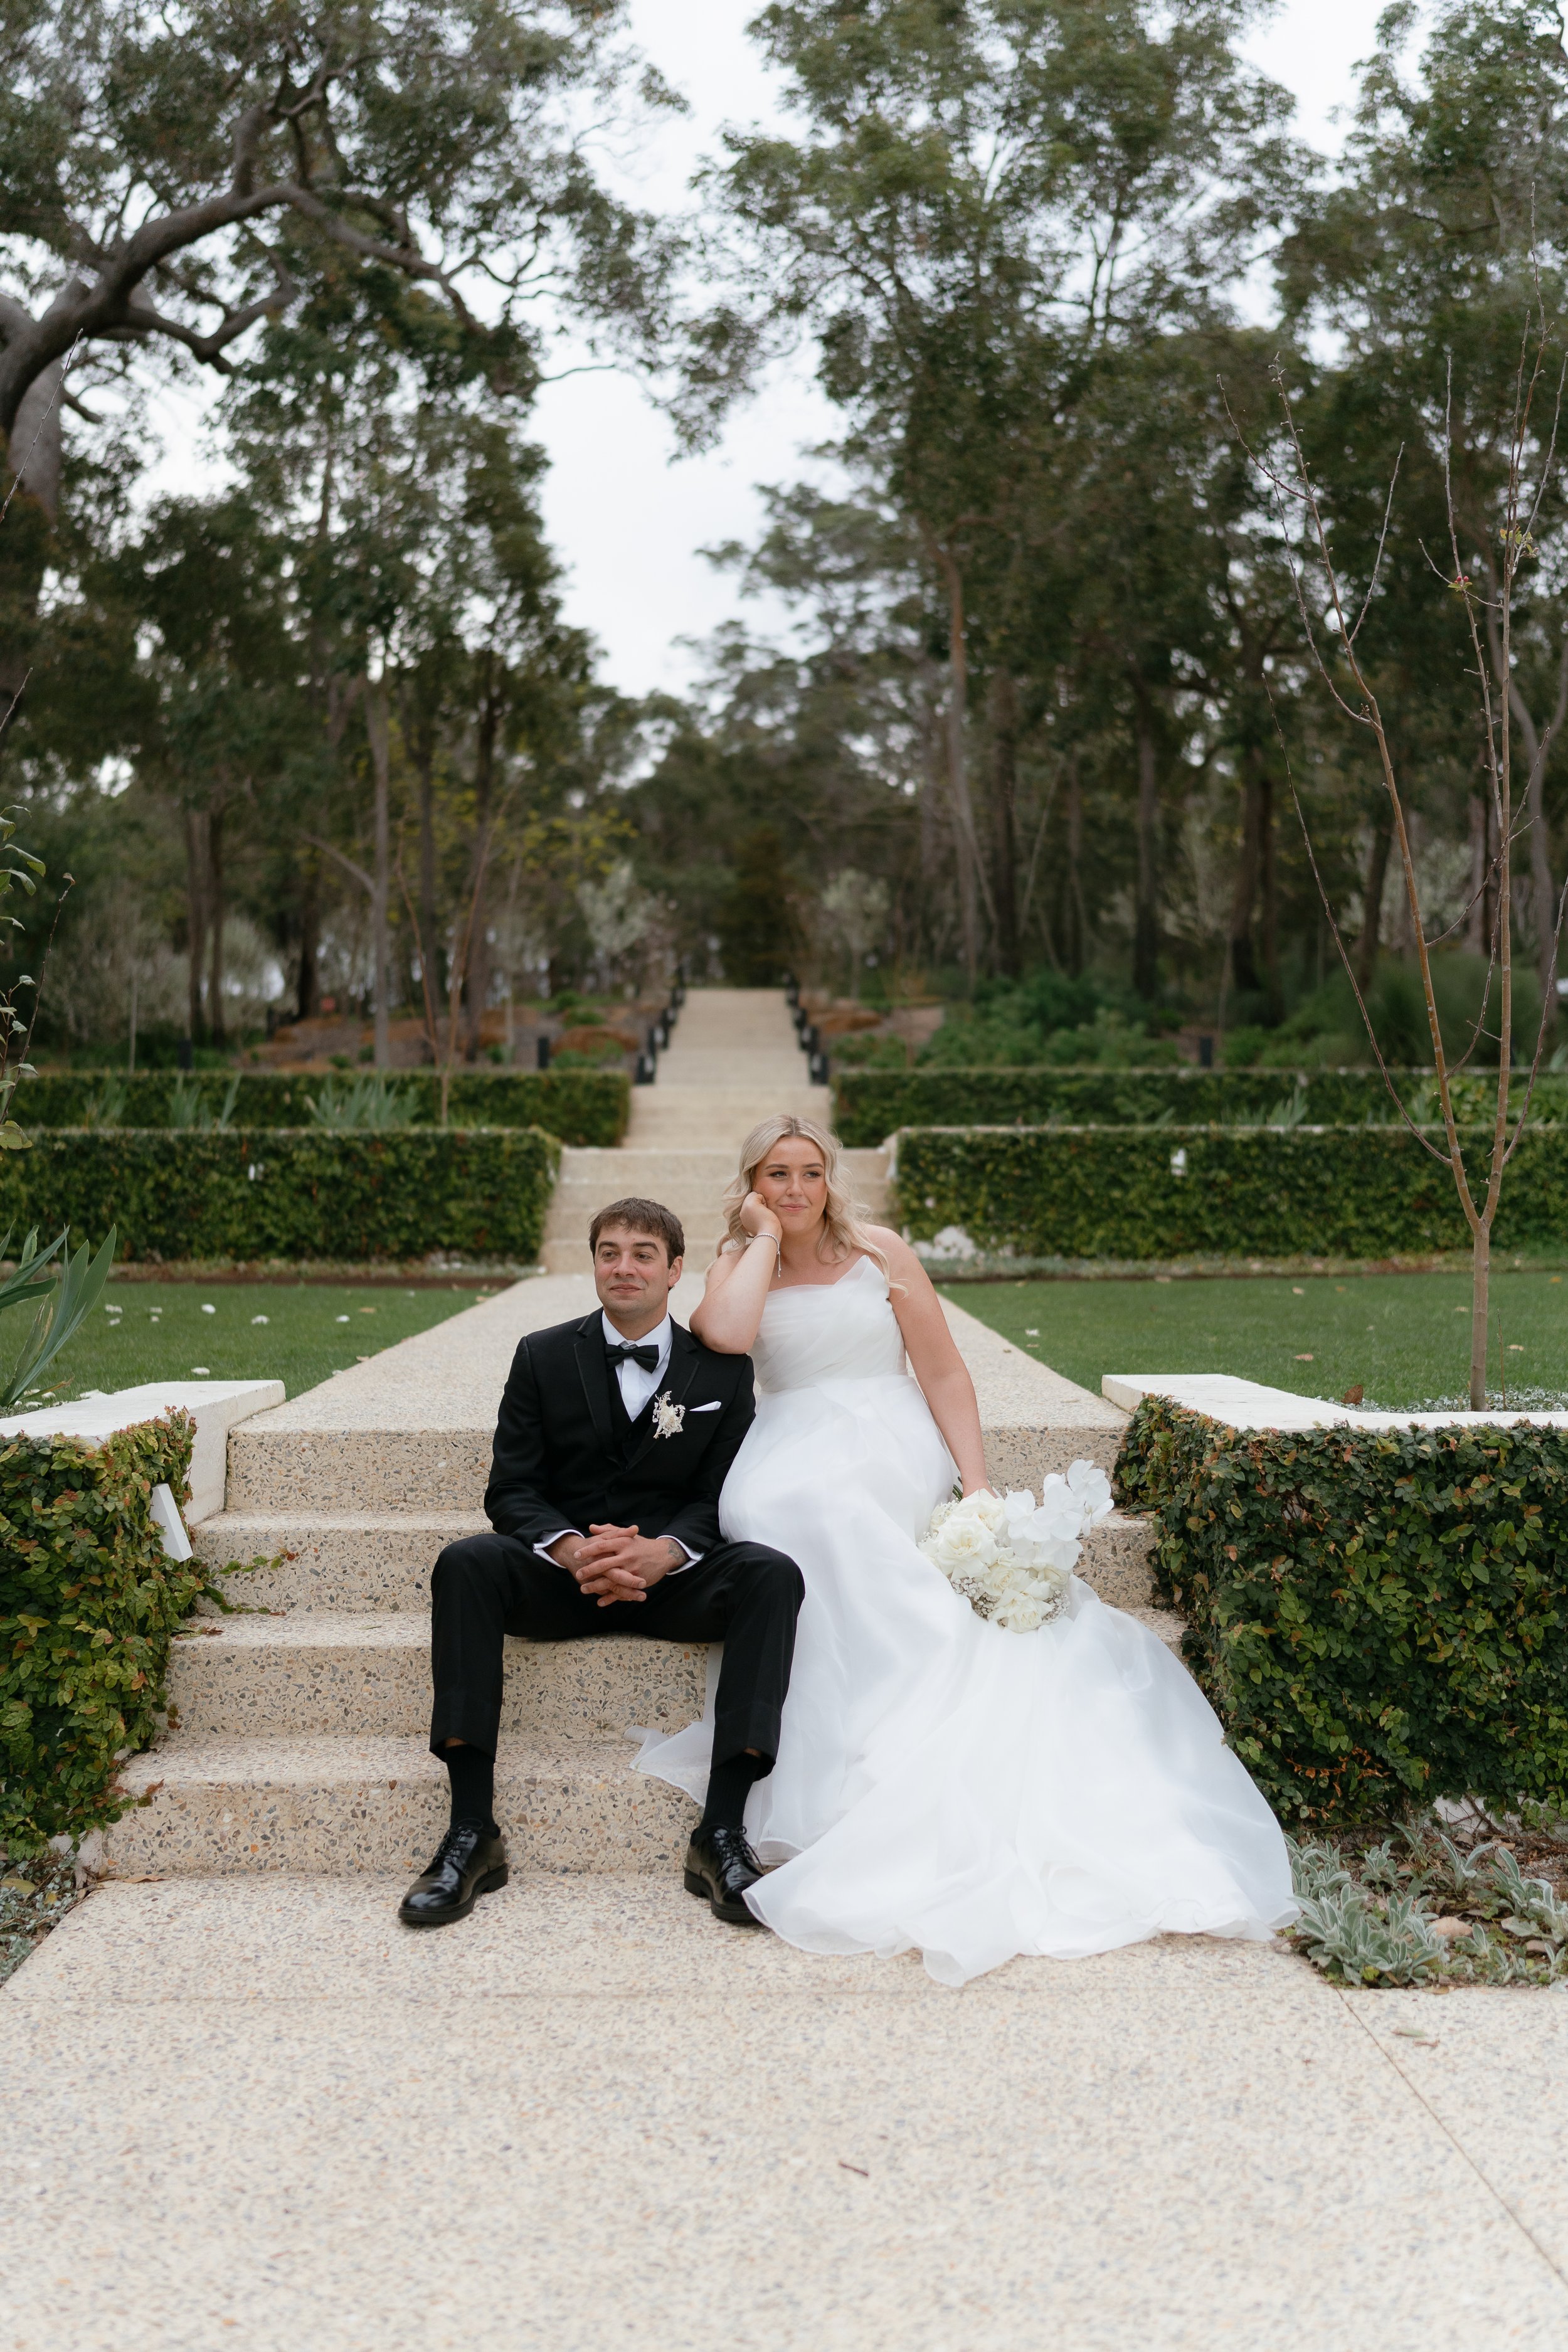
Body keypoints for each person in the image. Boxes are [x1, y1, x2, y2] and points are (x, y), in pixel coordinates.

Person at [632, 1115, 1296, 1987]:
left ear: (831, 1179)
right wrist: (757, 1239)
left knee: (835, 1503)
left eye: (810, 1173)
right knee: (769, 1504)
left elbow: (942, 1370)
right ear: (751, 1181)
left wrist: (975, 1482)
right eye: (776, 1174)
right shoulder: (737, 1258)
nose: (796, 1190)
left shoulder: (881, 1251)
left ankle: (908, 1690)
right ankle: (825, 1726)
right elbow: (723, 1333)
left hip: (884, 1427)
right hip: (789, 1430)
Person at [400, 1195, 805, 1928]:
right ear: (592, 1264)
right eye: (609, 1252)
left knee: (771, 1574)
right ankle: (470, 1833)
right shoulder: (541, 1355)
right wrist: (572, 1548)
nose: (624, 1267)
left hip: (672, 1584)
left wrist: (665, 1552)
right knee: (465, 1563)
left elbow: (726, 1495)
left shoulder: (722, 1372)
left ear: (677, 1269)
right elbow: (512, 1488)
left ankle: (719, 1834)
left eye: (643, 1253)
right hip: (564, 1578)